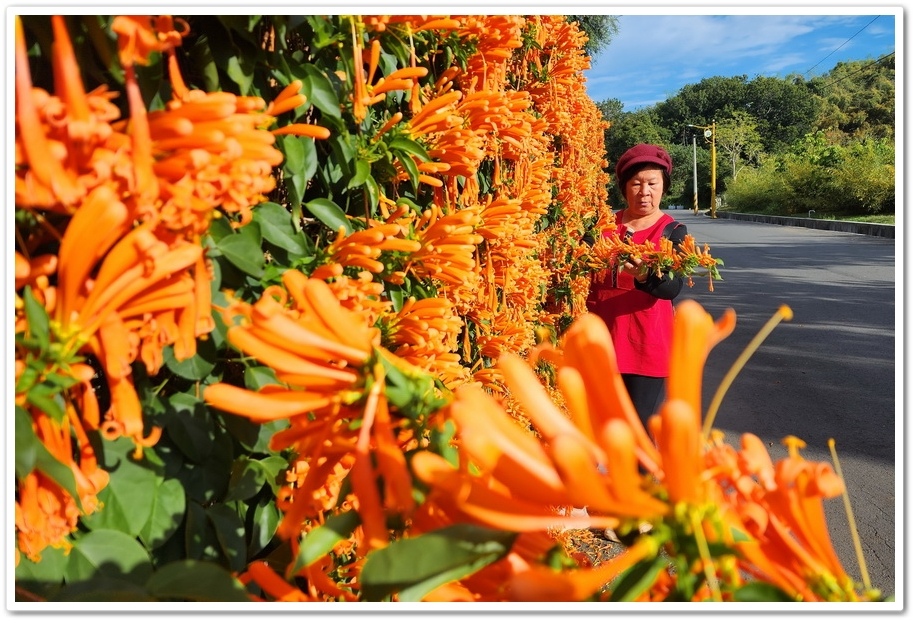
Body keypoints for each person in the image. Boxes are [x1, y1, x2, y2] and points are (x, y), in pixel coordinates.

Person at [585, 143, 688, 427]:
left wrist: (645, 275)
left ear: (663, 187)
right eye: (636, 184)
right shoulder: (603, 226)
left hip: (646, 344)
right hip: (601, 339)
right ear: (624, 188)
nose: (644, 192)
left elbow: (671, 289)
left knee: (639, 432)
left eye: (652, 183)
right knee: (595, 426)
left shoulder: (672, 232)